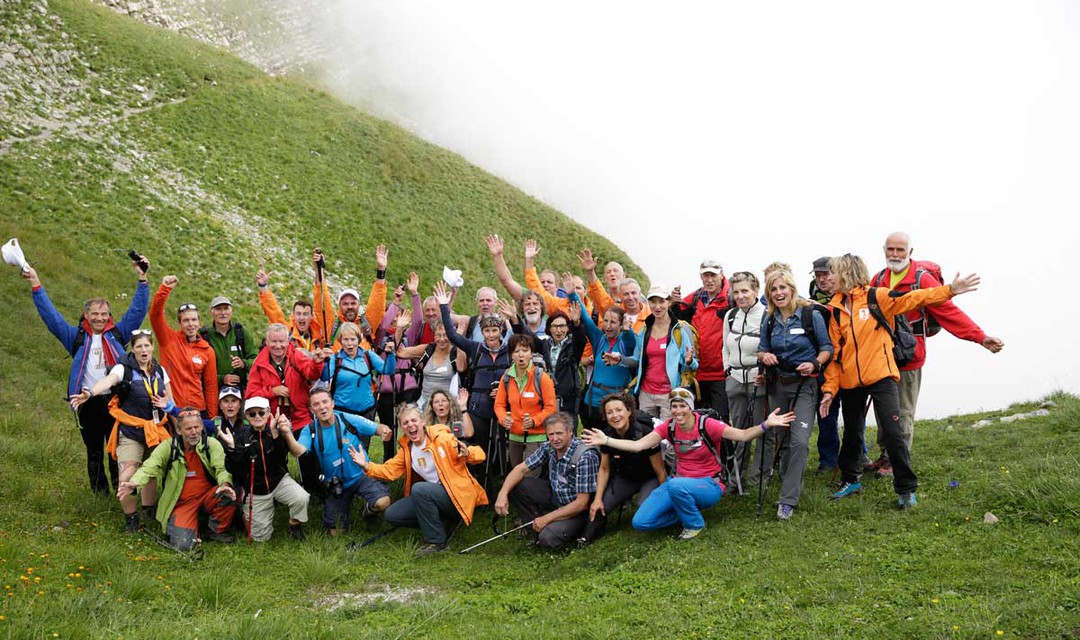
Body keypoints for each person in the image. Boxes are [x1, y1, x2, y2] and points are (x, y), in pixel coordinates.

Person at [819, 254, 982, 508]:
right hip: (851, 382)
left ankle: (906, 489)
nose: (829, 278)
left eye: (833, 273)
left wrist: (949, 290)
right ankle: (851, 480)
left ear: (846, 273)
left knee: (894, 434)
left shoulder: (878, 297)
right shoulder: (836, 308)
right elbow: (835, 356)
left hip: (882, 376)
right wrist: (829, 390)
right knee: (851, 434)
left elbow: (914, 298)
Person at [864, 232, 1005, 476]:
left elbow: (949, 313)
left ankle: (898, 462)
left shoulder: (922, 279)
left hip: (910, 356)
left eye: (900, 250)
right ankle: (886, 456)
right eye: (891, 249)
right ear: (884, 250)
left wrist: (980, 337)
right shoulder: (878, 279)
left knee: (903, 411)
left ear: (910, 252)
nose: (895, 254)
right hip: (883, 357)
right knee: (884, 409)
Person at [582, 388, 794, 539]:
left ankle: (695, 524)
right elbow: (639, 446)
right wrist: (606, 441)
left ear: (690, 408)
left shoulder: (707, 425)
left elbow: (744, 435)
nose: (677, 411)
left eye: (682, 406)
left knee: (673, 484)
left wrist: (767, 424)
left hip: (709, 484)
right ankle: (687, 512)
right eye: (674, 407)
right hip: (680, 483)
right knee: (641, 522)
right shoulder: (669, 427)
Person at [23, 256, 149, 494]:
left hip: (116, 402)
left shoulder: (119, 334)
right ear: (86, 315)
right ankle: (99, 495)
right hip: (87, 402)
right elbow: (51, 318)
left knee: (116, 451)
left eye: (104, 314)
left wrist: (143, 280)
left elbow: (137, 311)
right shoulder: (77, 338)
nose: (100, 318)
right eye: (95, 314)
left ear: (109, 315)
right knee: (93, 451)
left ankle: (120, 493)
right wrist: (36, 285)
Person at [351, 404, 488, 556]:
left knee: (420, 489)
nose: (410, 425)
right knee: (392, 514)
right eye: (405, 423)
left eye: (413, 420)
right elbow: (389, 471)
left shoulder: (441, 438)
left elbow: (480, 454)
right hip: (431, 496)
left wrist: (468, 453)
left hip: (456, 495)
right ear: (402, 428)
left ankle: (436, 542)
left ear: (423, 422)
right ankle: (441, 524)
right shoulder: (407, 449)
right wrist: (366, 465)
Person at [70, 330, 172, 531]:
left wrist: (172, 411)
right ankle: (131, 518)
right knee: (127, 474)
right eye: (139, 346)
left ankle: (149, 511)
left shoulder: (160, 371)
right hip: (131, 430)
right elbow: (108, 382)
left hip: (156, 430)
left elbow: (170, 399)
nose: (144, 350)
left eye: (147, 346)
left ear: (152, 347)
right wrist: (90, 393)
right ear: (133, 349)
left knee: (150, 472)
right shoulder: (123, 368)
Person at [756, 269, 833, 520]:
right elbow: (761, 349)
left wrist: (814, 364)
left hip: (805, 386)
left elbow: (826, 348)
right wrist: (764, 356)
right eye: (773, 290)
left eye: (782, 288)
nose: (778, 293)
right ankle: (790, 481)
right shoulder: (768, 320)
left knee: (799, 440)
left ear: (791, 289)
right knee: (782, 439)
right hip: (777, 384)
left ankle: (788, 500)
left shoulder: (810, 315)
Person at [278, 388, 392, 535]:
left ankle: (368, 512)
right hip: (336, 484)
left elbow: (377, 428)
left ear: (332, 403)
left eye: (325, 402)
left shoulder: (348, 419)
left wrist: (384, 431)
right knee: (336, 532)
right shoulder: (310, 430)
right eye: (316, 404)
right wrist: (288, 433)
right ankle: (341, 509)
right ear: (311, 409)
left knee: (383, 502)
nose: (322, 407)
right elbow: (298, 451)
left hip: (361, 475)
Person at [119, 409, 237, 550]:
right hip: (181, 504)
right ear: (179, 430)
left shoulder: (211, 444)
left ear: (202, 427)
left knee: (227, 493)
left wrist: (225, 484)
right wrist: (135, 483)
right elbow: (149, 466)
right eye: (188, 428)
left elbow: (222, 469)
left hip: (207, 497)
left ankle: (213, 532)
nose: (194, 432)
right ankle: (191, 527)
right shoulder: (168, 447)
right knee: (183, 546)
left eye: (196, 427)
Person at [435, 281, 511, 483]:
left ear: (501, 331)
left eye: (495, 331)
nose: (491, 335)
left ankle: (501, 482)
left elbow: (531, 343)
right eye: (487, 331)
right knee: (478, 445)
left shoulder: (510, 350)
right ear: (482, 333)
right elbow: (452, 334)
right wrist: (444, 306)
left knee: (503, 445)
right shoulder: (475, 348)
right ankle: (478, 484)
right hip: (480, 405)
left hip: (504, 405)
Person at [494, 412, 599, 550]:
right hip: (556, 497)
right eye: (551, 434)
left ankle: (560, 531)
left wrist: (548, 518)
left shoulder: (585, 456)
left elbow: (582, 504)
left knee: (547, 538)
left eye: (559, 433)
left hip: (577, 511)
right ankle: (535, 529)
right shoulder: (549, 447)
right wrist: (502, 494)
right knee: (516, 484)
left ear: (570, 432)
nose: (555, 438)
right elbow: (520, 469)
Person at [246, 323, 326, 495]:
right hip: (273, 421)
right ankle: (281, 491)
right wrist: (272, 391)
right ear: (267, 341)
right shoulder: (259, 364)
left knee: (307, 455)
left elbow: (311, 373)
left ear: (287, 341)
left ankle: (314, 489)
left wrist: (318, 363)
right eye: (274, 342)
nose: (278, 346)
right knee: (276, 459)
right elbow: (251, 394)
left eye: (282, 341)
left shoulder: (296, 355)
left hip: (300, 417)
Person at [217, 396, 309, 542]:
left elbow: (281, 457)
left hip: (278, 481)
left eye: (261, 412)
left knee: (302, 498)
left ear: (268, 413)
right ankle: (246, 514)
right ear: (246, 415)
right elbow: (233, 468)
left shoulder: (275, 430)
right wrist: (232, 449)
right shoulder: (240, 436)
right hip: (255, 490)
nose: (257, 417)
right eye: (252, 414)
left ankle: (294, 525)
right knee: (260, 538)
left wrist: (275, 434)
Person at [583, 394, 665, 542]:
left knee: (644, 507)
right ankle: (589, 537)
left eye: (619, 410)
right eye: (609, 412)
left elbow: (660, 470)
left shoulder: (645, 432)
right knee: (601, 507)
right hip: (626, 478)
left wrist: (666, 495)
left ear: (629, 412)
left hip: (649, 477)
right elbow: (604, 469)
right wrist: (597, 499)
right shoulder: (606, 435)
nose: (615, 415)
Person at [320, 321, 396, 452]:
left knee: (363, 448)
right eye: (345, 339)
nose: (350, 344)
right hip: (342, 412)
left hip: (366, 411)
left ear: (359, 339)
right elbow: (325, 377)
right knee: (343, 447)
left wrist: (390, 354)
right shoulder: (335, 358)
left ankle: (362, 472)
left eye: (353, 339)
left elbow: (387, 370)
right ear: (340, 341)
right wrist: (324, 361)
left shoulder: (368, 356)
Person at [672, 259, 733, 421]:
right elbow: (676, 321)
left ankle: (724, 447)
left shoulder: (731, 298)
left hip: (721, 374)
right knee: (697, 420)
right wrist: (673, 304)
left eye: (713, 275)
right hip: (697, 372)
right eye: (706, 275)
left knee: (721, 420)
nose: (709, 279)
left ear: (721, 275)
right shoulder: (694, 298)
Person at [722, 271, 768, 486]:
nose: (740, 296)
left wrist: (765, 375)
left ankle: (758, 478)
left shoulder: (767, 315)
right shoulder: (730, 315)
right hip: (735, 380)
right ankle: (736, 479)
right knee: (738, 431)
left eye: (745, 291)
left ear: (756, 291)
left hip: (758, 380)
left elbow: (771, 349)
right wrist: (728, 371)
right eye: (736, 291)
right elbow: (725, 347)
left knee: (762, 430)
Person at [150, 275, 219, 418]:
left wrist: (212, 419)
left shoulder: (207, 351)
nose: (190, 324)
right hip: (170, 406)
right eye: (186, 320)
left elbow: (211, 387)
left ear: (200, 322)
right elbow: (155, 315)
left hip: (197, 410)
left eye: (194, 320)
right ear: (179, 323)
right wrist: (165, 289)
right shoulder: (168, 339)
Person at [631, 284, 697, 421]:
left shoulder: (680, 330)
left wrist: (689, 361)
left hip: (671, 394)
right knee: (646, 434)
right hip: (646, 393)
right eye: (653, 302)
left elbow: (694, 365)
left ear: (669, 302)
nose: (657, 306)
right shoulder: (644, 330)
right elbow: (636, 359)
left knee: (668, 437)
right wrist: (619, 359)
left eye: (661, 301)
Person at [573, 289, 638, 430]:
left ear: (621, 325)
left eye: (613, 322)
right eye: (606, 321)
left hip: (618, 404)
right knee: (592, 443)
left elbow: (631, 343)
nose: (608, 326)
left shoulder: (626, 341)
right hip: (593, 402)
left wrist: (628, 330)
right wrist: (572, 293)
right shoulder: (599, 339)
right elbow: (585, 317)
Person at [494, 334, 558, 467]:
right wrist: (503, 418)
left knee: (530, 477)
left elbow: (551, 408)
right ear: (511, 355)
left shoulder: (542, 377)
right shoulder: (506, 377)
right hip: (513, 435)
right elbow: (499, 405)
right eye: (516, 351)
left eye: (525, 350)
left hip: (537, 436)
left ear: (531, 354)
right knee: (515, 474)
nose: (521, 355)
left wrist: (534, 421)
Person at [312, 246, 388, 351]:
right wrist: (319, 271)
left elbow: (377, 303)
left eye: (353, 303)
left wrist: (381, 271)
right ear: (339, 306)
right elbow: (321, 303)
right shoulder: (331, 326)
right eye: (345, 304)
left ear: (359, 305)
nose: (350, 307)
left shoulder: (367, 324)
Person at [809, 257, 841, 474]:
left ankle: (858, 454)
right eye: (818, 275)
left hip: (848, 362)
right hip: (823, 364)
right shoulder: (811, 296)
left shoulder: (845, 295)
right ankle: (828, 460)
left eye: (825, 274)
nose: (821, 279)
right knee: (826, 414)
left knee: (853, 414)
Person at [398, 320, 467, 409]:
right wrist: (399, 329)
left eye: (446, 335)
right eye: (438, 335)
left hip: (448, 405)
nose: (442, 339)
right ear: (433, 335)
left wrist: (459, 339)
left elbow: (461, 368)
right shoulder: (428, 349)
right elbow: (400, 353)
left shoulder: (456, 351)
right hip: (425, 403)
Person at [255, 266, 322, 352]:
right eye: (298, 314)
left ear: (312, 316)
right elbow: (273, 310)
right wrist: (263, 286)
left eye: (305, 314)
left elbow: (324, 308)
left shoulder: (319, 336)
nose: (301, 318)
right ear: (293, 315)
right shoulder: (286, 332)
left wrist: (319, 271)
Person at [201, 296, 257, 390]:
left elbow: (255, 360)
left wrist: (243, 363)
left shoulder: (241, 332)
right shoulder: (204, 336)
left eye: (226, 308)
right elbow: (198, 368)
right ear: (211, 312)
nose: (223, 313)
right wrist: (222, 379)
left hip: (240, 389)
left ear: (231, 311)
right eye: (218, 309)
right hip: (213, 390)